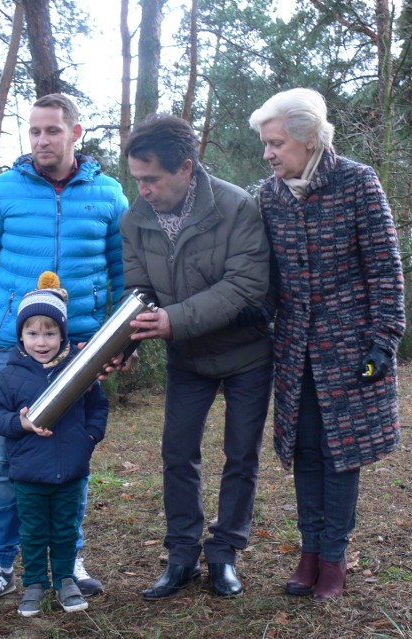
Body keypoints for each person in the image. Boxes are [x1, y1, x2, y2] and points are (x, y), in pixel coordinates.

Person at [0, 93, 128, 607]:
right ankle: (1, 563)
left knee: (70, 455)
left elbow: (124, 274)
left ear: (76, 133)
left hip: (83, 350)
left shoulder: (108, 194)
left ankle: (67, 557)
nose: (41, 140)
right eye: (33, 131)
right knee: (8, 459)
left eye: (52, 130)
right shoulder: (2, 192)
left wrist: (124, 342)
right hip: (16, 349)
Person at [248, 88, 405, 601]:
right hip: (295, 350)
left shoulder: (358, 182)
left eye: (276, 143)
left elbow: (384, 267)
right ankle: (309, 551)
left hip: (351, 346)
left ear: (309, 138)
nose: (268, 154)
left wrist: (383, 340)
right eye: (265, 145)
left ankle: (333, 558)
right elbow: (265, 280)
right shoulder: (267, 197)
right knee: (307, 451)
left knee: (343, 454)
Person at [119, 113, 274, 599]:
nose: (142, 189)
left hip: (247, 353)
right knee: (177, 453)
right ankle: (182, 555)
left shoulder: (236, 207)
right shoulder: (134, 220)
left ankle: (224, 552)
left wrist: (173, 320)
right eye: (136, 179)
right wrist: (126, 338)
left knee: (240, 455)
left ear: (186, 168)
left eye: (151, 178)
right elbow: (138, 289)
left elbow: (246, 284)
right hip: (186, 358)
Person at [0, 273, 108, 617]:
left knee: (66, 529)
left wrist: (90, 437)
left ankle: (66, 579)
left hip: (71, 469)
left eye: (50, 333)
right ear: (20, 335)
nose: (42, 341)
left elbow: (98, 406)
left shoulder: (78, 370)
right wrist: (19, 423)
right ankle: (34, 584)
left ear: (62, 333)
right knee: (34, 532)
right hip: (28, 472)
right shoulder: (10, 374)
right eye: (33, 333)